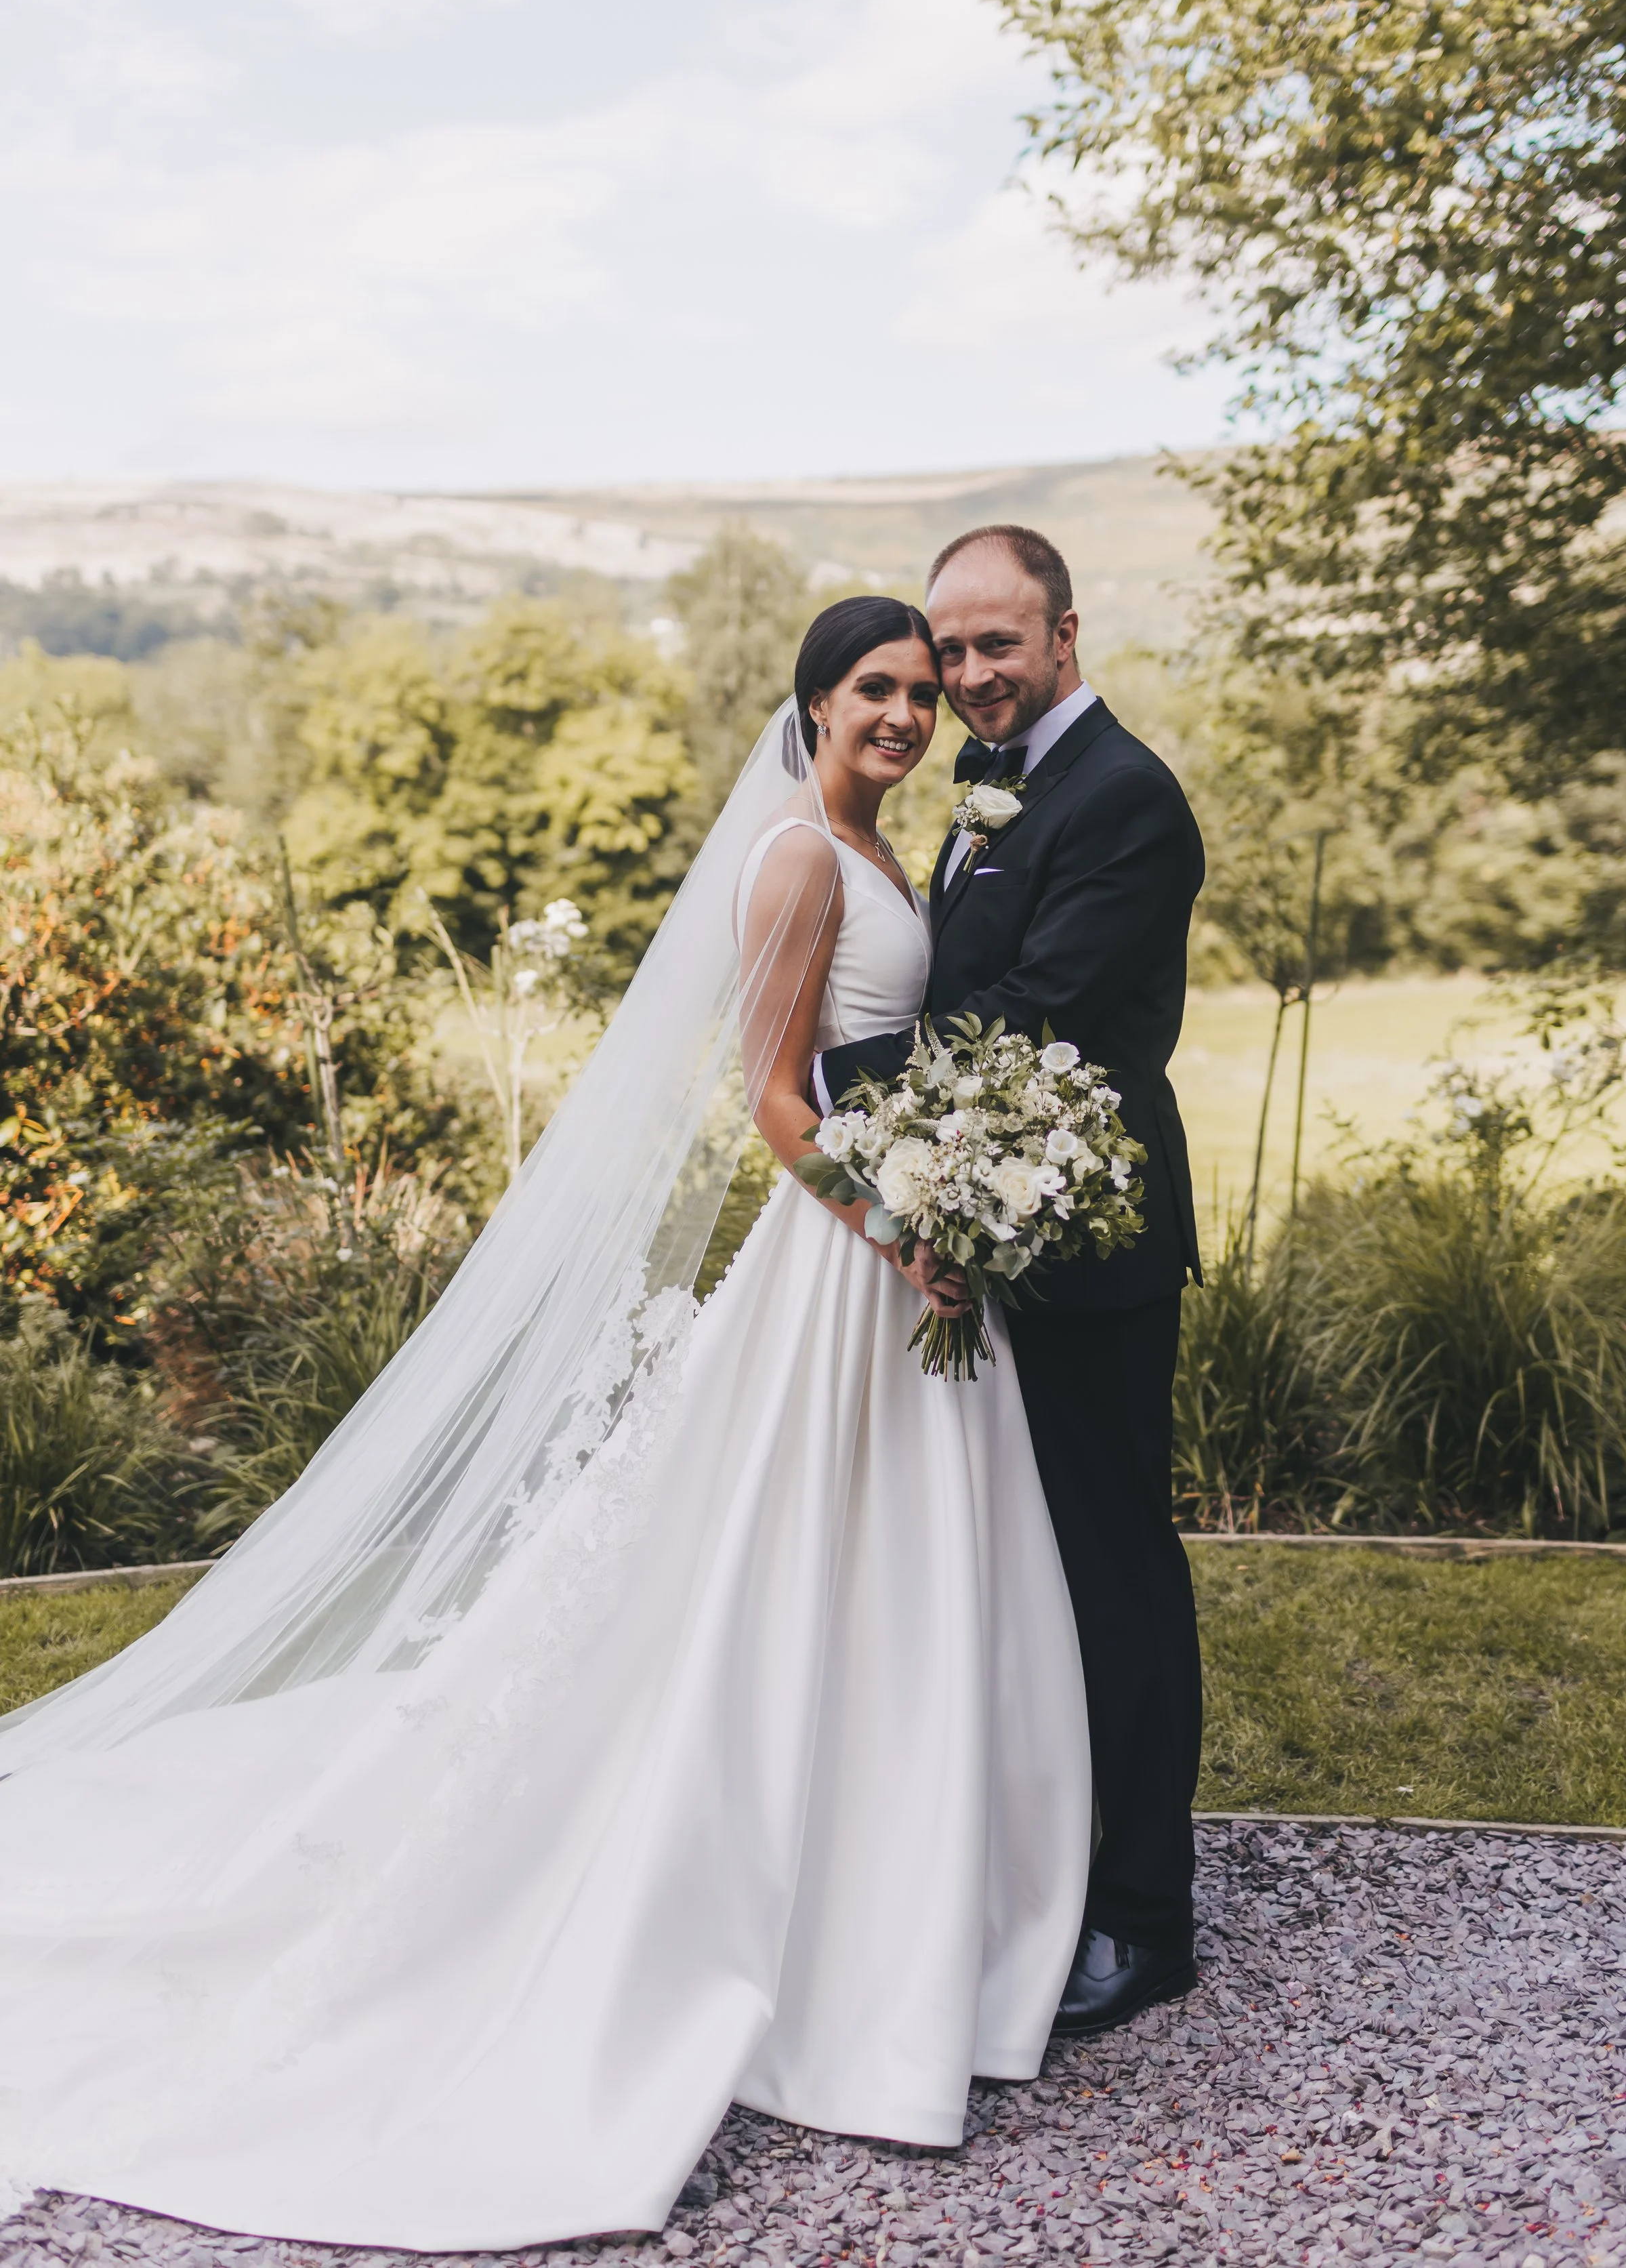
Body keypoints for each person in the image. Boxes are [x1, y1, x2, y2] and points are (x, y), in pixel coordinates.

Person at [0, 597, 1091, 2254]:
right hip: (848, 1264)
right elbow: (778, 1105)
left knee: (883, 1577)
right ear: (808, 701)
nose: (908, 712)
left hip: (904, 1260)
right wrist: (905, 1223)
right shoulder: (799, 859)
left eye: (924, 691)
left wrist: (951, 1194)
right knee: (774, 1576)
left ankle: (908, 1892)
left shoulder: (873, 848)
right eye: (875, 687)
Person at [814, 524, 1207, 2036]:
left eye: (996, 645)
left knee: (1111, 1568)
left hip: (1091, 1249)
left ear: (1062, 635)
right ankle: (1033, 1861)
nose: (969, 675)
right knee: (1009, 1569)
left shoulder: (1120, 797)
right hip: (986, 1229)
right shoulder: (992, 788)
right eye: (950, 648)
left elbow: (1030, 1018)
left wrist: (809, 1079)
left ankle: (1143, 1917)